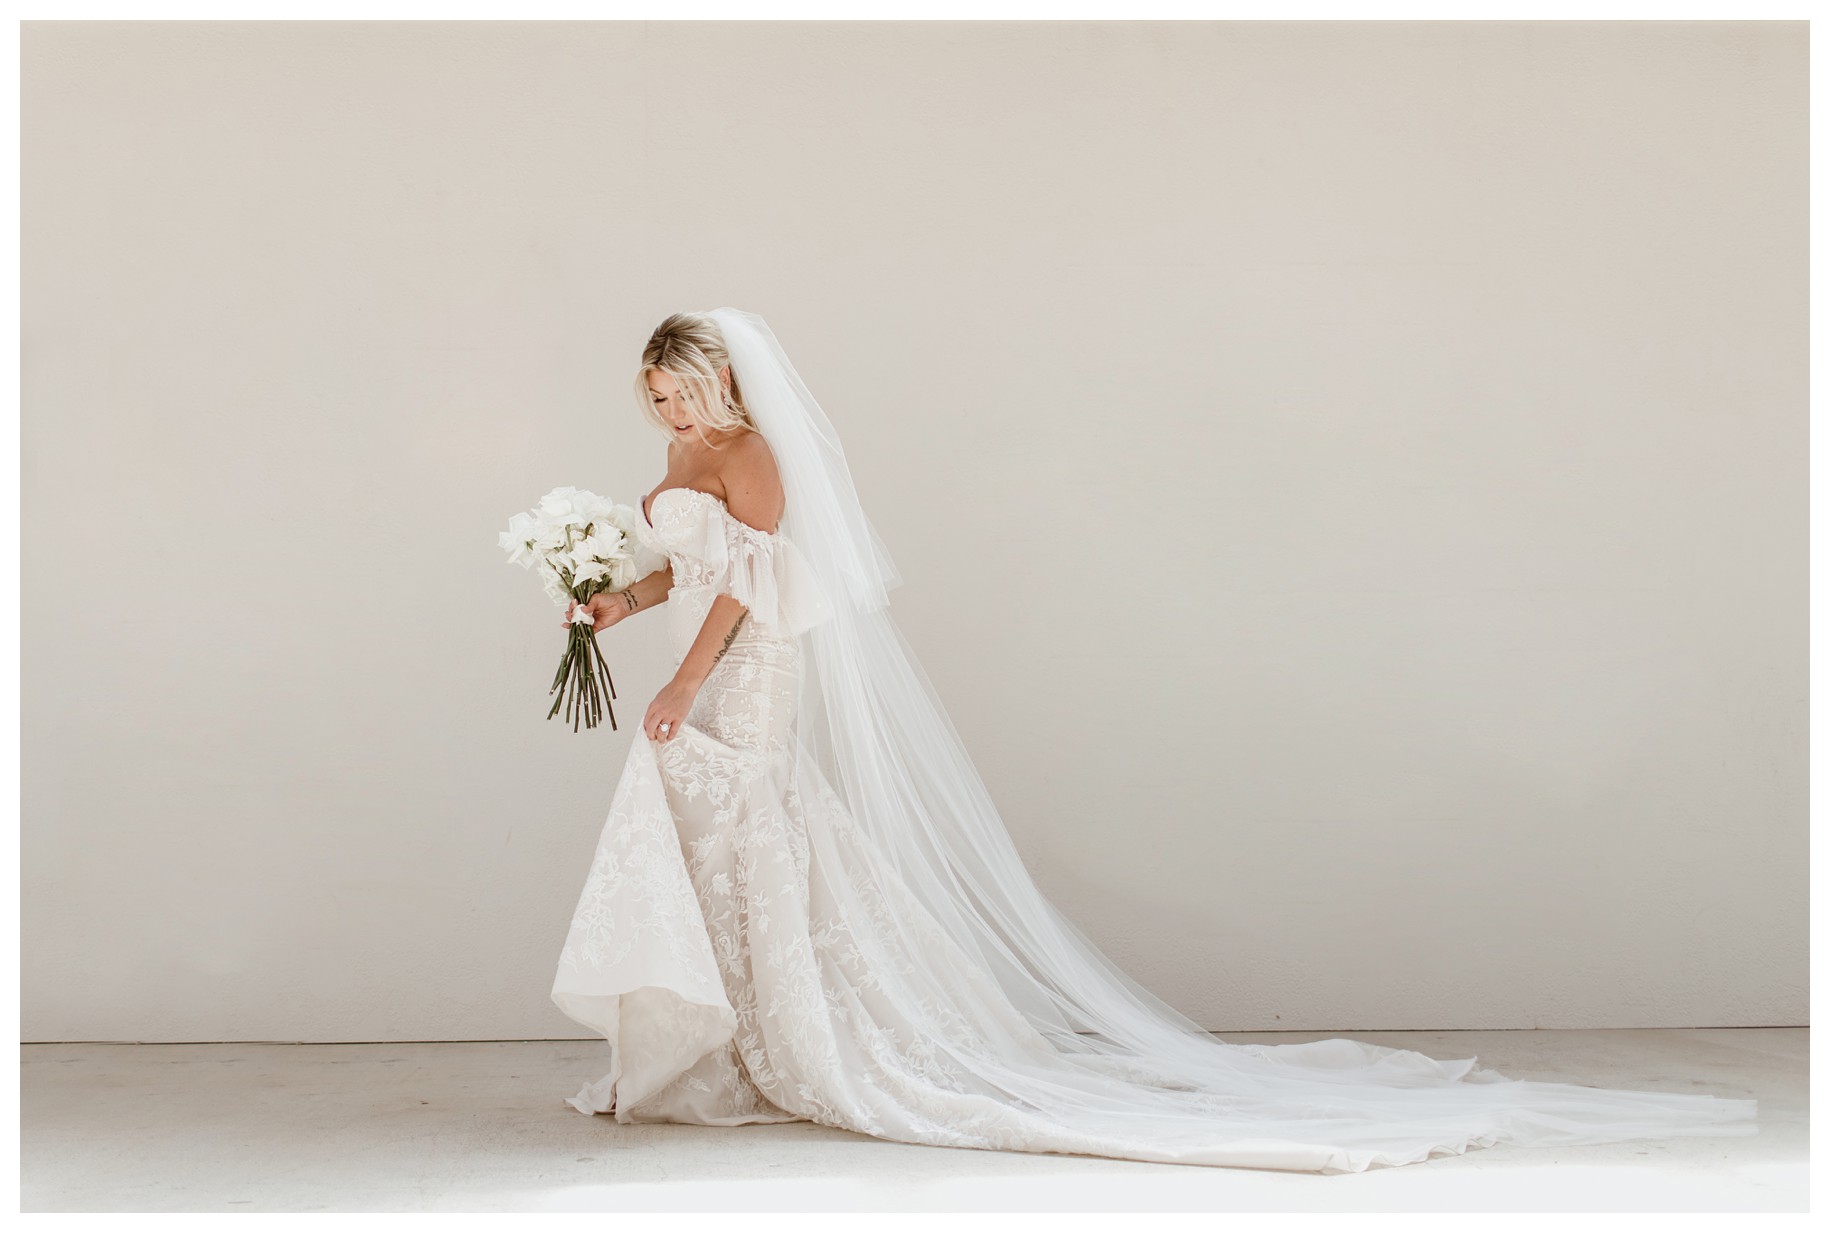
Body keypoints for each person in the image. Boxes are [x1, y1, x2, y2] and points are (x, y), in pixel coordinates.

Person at [548, 308, 1758, 1173]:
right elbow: (685, 568)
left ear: (720, 385)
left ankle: (788, 1040)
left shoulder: (754, 456)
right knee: (704, 836)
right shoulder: (680, 462)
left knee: (745, 825)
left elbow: (752, 589)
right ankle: (713, 1047)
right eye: (654, 400)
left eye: (679, 395)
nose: (666, 414)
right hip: (687, 663)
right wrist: (613, 605)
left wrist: (688, 681)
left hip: (747, 671)